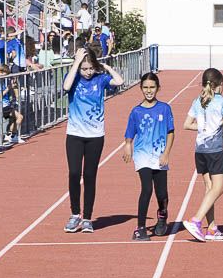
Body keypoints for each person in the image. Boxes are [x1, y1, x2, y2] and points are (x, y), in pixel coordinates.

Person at [62, 46, 124, 233]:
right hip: (75, 134)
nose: (87, 72)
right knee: (74, 173)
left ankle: (87, 218)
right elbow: (66, 87)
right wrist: (76, 64)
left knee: (89, 176)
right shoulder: (73, 78)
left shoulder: (100, 79)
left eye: (90, 68)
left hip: (95, 136)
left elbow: (119, 81)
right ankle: (75, 214)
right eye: (84, 69)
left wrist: (106, 67)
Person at [122, 72, 174, 241]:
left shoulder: (165, 108)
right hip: (142, 155)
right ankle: (140, 228)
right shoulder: (136, 111)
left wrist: (166, 153)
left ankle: (162, 215)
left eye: (152, 87)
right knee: (146, 189)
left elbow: (170, 132)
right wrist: (128, 146)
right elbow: (130, 133)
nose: (149, 90)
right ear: (141, 88)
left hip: (159, 156)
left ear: (158, 88)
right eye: (145, 87)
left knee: (162, 193)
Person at [182, 68, 223, 242]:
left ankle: (212, 228)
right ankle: (196, 220)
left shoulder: (198, 101)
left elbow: (187, 124)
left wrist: (204, 128)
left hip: (200, 150)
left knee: (209, 189)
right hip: (215, 150)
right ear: (219, 84)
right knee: (218, 188)